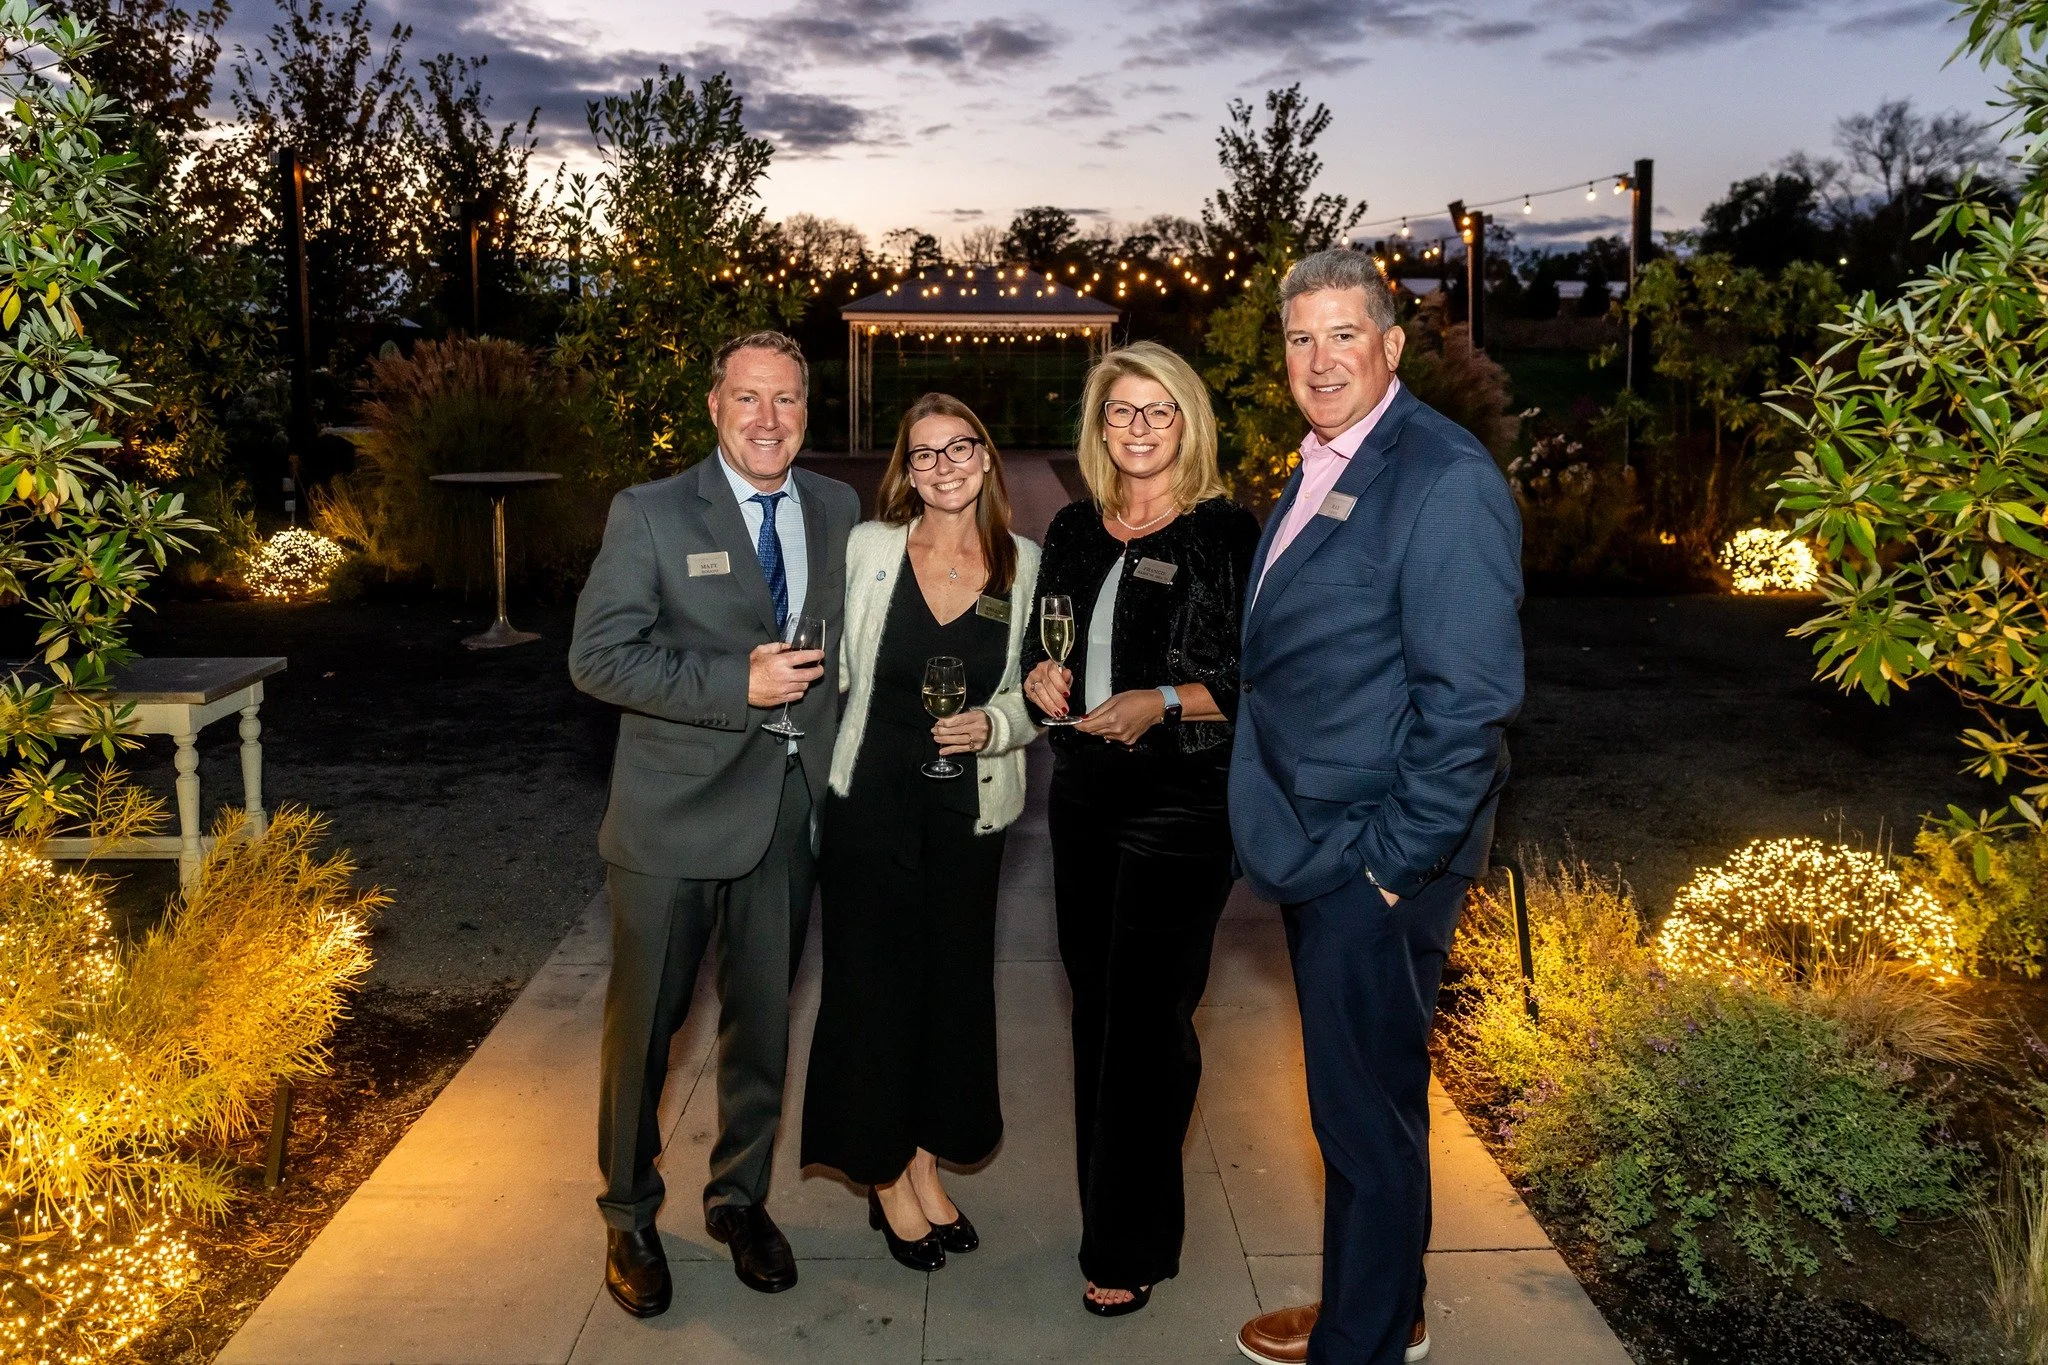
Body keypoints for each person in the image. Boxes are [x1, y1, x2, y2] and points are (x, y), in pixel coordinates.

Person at [1229, 251, 1524, 1365]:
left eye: (1341, 334)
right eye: (1300, 338)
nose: (1318, 359)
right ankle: (1382, 1308)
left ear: (1390, 346)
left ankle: (1357, 1344)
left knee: (1361, 1127)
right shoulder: (1325, 460)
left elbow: (1471, 708)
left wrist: (1390, 865)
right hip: (1328, 839)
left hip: (1374, 853)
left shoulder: (1441, 478)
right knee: (1374, 1111)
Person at [569, 330, 861, 1319]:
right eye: (748, 399)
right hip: (670, 821)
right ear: (714, 406)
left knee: (762, 1030)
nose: (767, 419)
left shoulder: (835, 506)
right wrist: (731, 683)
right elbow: (598, 659)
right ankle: (627, 1213)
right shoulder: (649, 514)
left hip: (787, 814)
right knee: (644, 1034)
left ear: (806, 412)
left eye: (785, 401)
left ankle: (738, 1201)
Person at [1020, 340, 1261, 1318]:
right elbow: (1050, 645)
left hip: (1183, 806)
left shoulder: (1226, 535)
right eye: (1121, 412)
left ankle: (1127, 1241)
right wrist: (1040, 685)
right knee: (1097, 1012)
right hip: (1081, 797)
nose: (1138, 428)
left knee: (1147, 1021)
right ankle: (1110, 1213)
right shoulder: (1075, 529)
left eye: (1158, 411)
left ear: (1187, 423)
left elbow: (1263, 680)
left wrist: (1160, 700)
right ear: (1099, 426)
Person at [800, 392, 1042, 1272]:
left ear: (985, 458)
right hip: (870, 800)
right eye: (924, 453)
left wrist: (998, 725)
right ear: (908, 467)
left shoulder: (1024, 565)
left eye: (959, 448)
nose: (943, 466)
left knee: (951, 985)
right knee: (871, 987)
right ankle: (887, 1175)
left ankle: (929, 1162)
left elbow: (1036, 693)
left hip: (968, 810)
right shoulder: (871, 550)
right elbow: (821, 657)